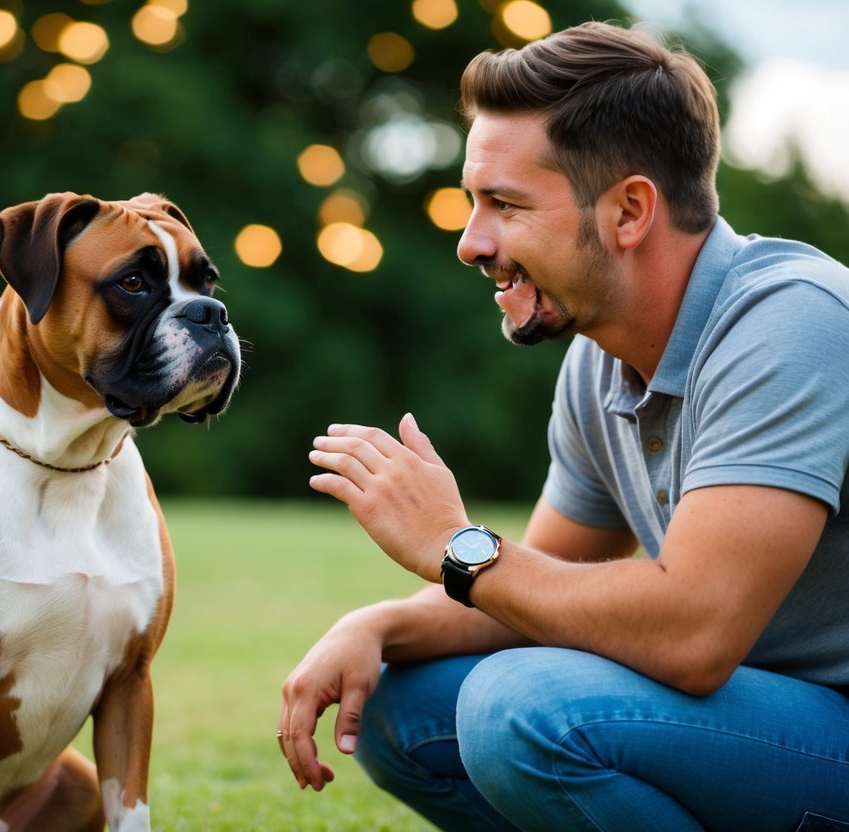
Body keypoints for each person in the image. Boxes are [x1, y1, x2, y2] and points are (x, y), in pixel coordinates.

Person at [277, 20, 849, 832]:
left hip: (827, 730)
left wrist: (452, 546)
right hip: (756, 723)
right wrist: (376, 624)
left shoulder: (792, 321)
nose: (471, 243)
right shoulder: (599, 358)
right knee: (398, 702)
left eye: (503, 205)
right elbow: (537, 590)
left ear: (628, 210)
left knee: (522, 705)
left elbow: (693, 631)